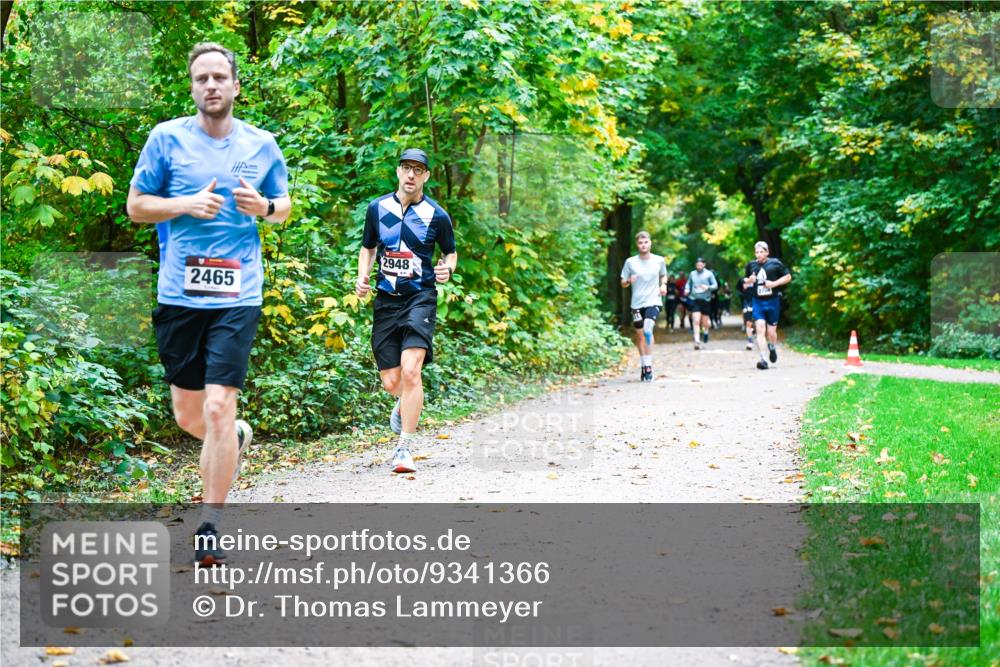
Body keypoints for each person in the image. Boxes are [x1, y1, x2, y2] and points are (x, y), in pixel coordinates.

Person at [126, 43, 291, 565]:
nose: (212, 85)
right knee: (190, 415)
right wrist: (186, 205)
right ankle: (236, 438)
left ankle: (210, 526)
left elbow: (283, 205)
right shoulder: (166, 140)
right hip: (179, 294)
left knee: (220, 406)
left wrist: (263, 206)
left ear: (236, 85)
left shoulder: (262, 145)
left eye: (221, 76)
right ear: (193, 87)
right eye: (202, 78)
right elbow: (135, 206)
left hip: (238, 294)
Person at [356, 148, 457, 473]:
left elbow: (450, 254)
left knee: (412, 371)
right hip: (386, 300)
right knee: (392, 381)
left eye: (418, 169)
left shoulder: (437, 215)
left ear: (426, 175)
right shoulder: (377, 208)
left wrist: (447, 270)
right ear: (398, 172)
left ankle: (404, 448)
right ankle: (406, 402)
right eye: (406, 168)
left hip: (420, 298)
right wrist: (362, 276)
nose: (411, 175)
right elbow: (368, 248)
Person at [620, 231, 668, 382]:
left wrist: (664, 285)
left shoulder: (659, 260)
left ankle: (649, 367)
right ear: (637, 245)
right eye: (640, 243)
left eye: (646, 242)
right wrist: (629, 281)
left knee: (648, 330)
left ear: (650, 243)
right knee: (640, 335)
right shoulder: (630, 262)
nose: (643, 245)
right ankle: (644, 365)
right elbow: (622, 283)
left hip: (653, 300)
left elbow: (663, 275)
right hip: (636, 304)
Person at [743, 241, 792, 370]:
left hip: (773, 301)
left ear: (767, 252)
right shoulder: (751, 265)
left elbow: (788, 277)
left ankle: (772, 347)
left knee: (771, 333)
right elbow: (745, 280)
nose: (758, 254)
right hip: (757, 301)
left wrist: (773, 284)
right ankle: (763, 359)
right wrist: (750, 280)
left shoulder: (775, 263)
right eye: (757, 252)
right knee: (760, 329)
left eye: (761, 252)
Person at [683, 257, 717, 349]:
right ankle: (697, 341)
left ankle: (705, 332)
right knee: (696, 320)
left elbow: (715, 285)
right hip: (694, 300)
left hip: (706, 300)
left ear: (704, 265)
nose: (699, 266)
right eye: (697, 265)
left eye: (701, 265)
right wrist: (687, 289)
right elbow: (688, 284)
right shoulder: (692, 274)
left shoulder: (709, 274)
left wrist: (708, 287)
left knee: (705, 322)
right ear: (696, 265)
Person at [738, 276, 755, 350]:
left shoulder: (761, 278)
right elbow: (741, 286)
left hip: (759, 302)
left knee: (758, 323)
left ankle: (757, 334)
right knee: (748, 323)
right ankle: (750, 341)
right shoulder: (743, 279)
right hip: (748, 303)